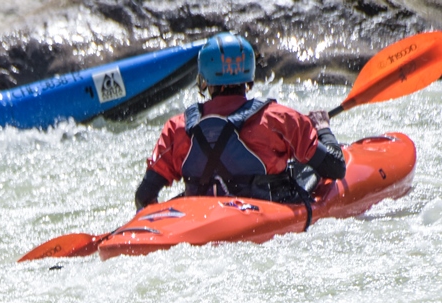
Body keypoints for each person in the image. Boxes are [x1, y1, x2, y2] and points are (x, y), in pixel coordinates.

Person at [134, 32, 348, 210]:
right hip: (263, 222)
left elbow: (144, 196)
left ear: (204, 81)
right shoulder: (279, 119)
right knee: (306, 170)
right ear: (249, 77)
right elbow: (336, 168)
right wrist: (322, 128)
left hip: (200, 224)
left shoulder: (177, 128)